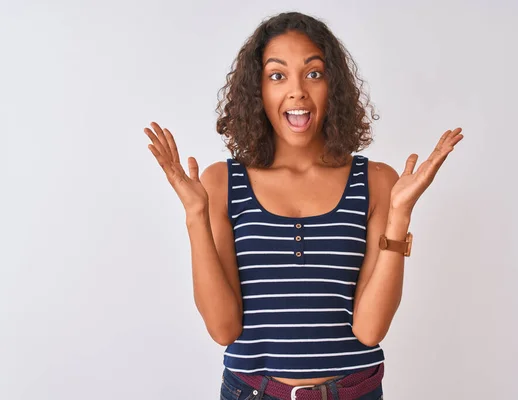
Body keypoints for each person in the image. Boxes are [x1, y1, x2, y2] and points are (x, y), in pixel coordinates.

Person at [144, 11, 463, 400]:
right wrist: (195, 215)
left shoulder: (376, 181)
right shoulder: (221, 183)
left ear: (334, 86)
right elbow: (222, 329)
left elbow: (370, 330)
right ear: (258, 90)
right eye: (278, 76)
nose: (297, 91)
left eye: (313, 73)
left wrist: (400, 216)